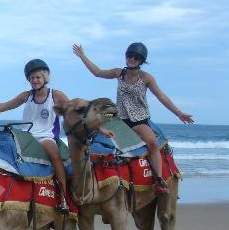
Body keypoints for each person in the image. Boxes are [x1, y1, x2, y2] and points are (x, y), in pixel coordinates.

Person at [72, 42, 193, 194]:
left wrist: (179, 113)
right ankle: (85, 173)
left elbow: (161, 96)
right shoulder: (119, 73)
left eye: (136, 57)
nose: (132, 59)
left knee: (153, 145)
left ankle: (159, 180)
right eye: (130, 55)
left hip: (139, 120)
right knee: (90, 123)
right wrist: (83, 56)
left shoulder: (146, 78)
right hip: (118, 117)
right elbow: (97, 72)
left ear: (141, 60)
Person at [0, 59, 80, 213]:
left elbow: (74, 110)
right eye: (32, 78)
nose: (35, 81)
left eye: (38, 77)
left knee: (55, 158)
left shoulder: (56, 95)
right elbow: (4, 106)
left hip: (46, 136)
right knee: (3, 156)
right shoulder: (26, 96)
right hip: (26, 136)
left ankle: (62, 198)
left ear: (45, 77)